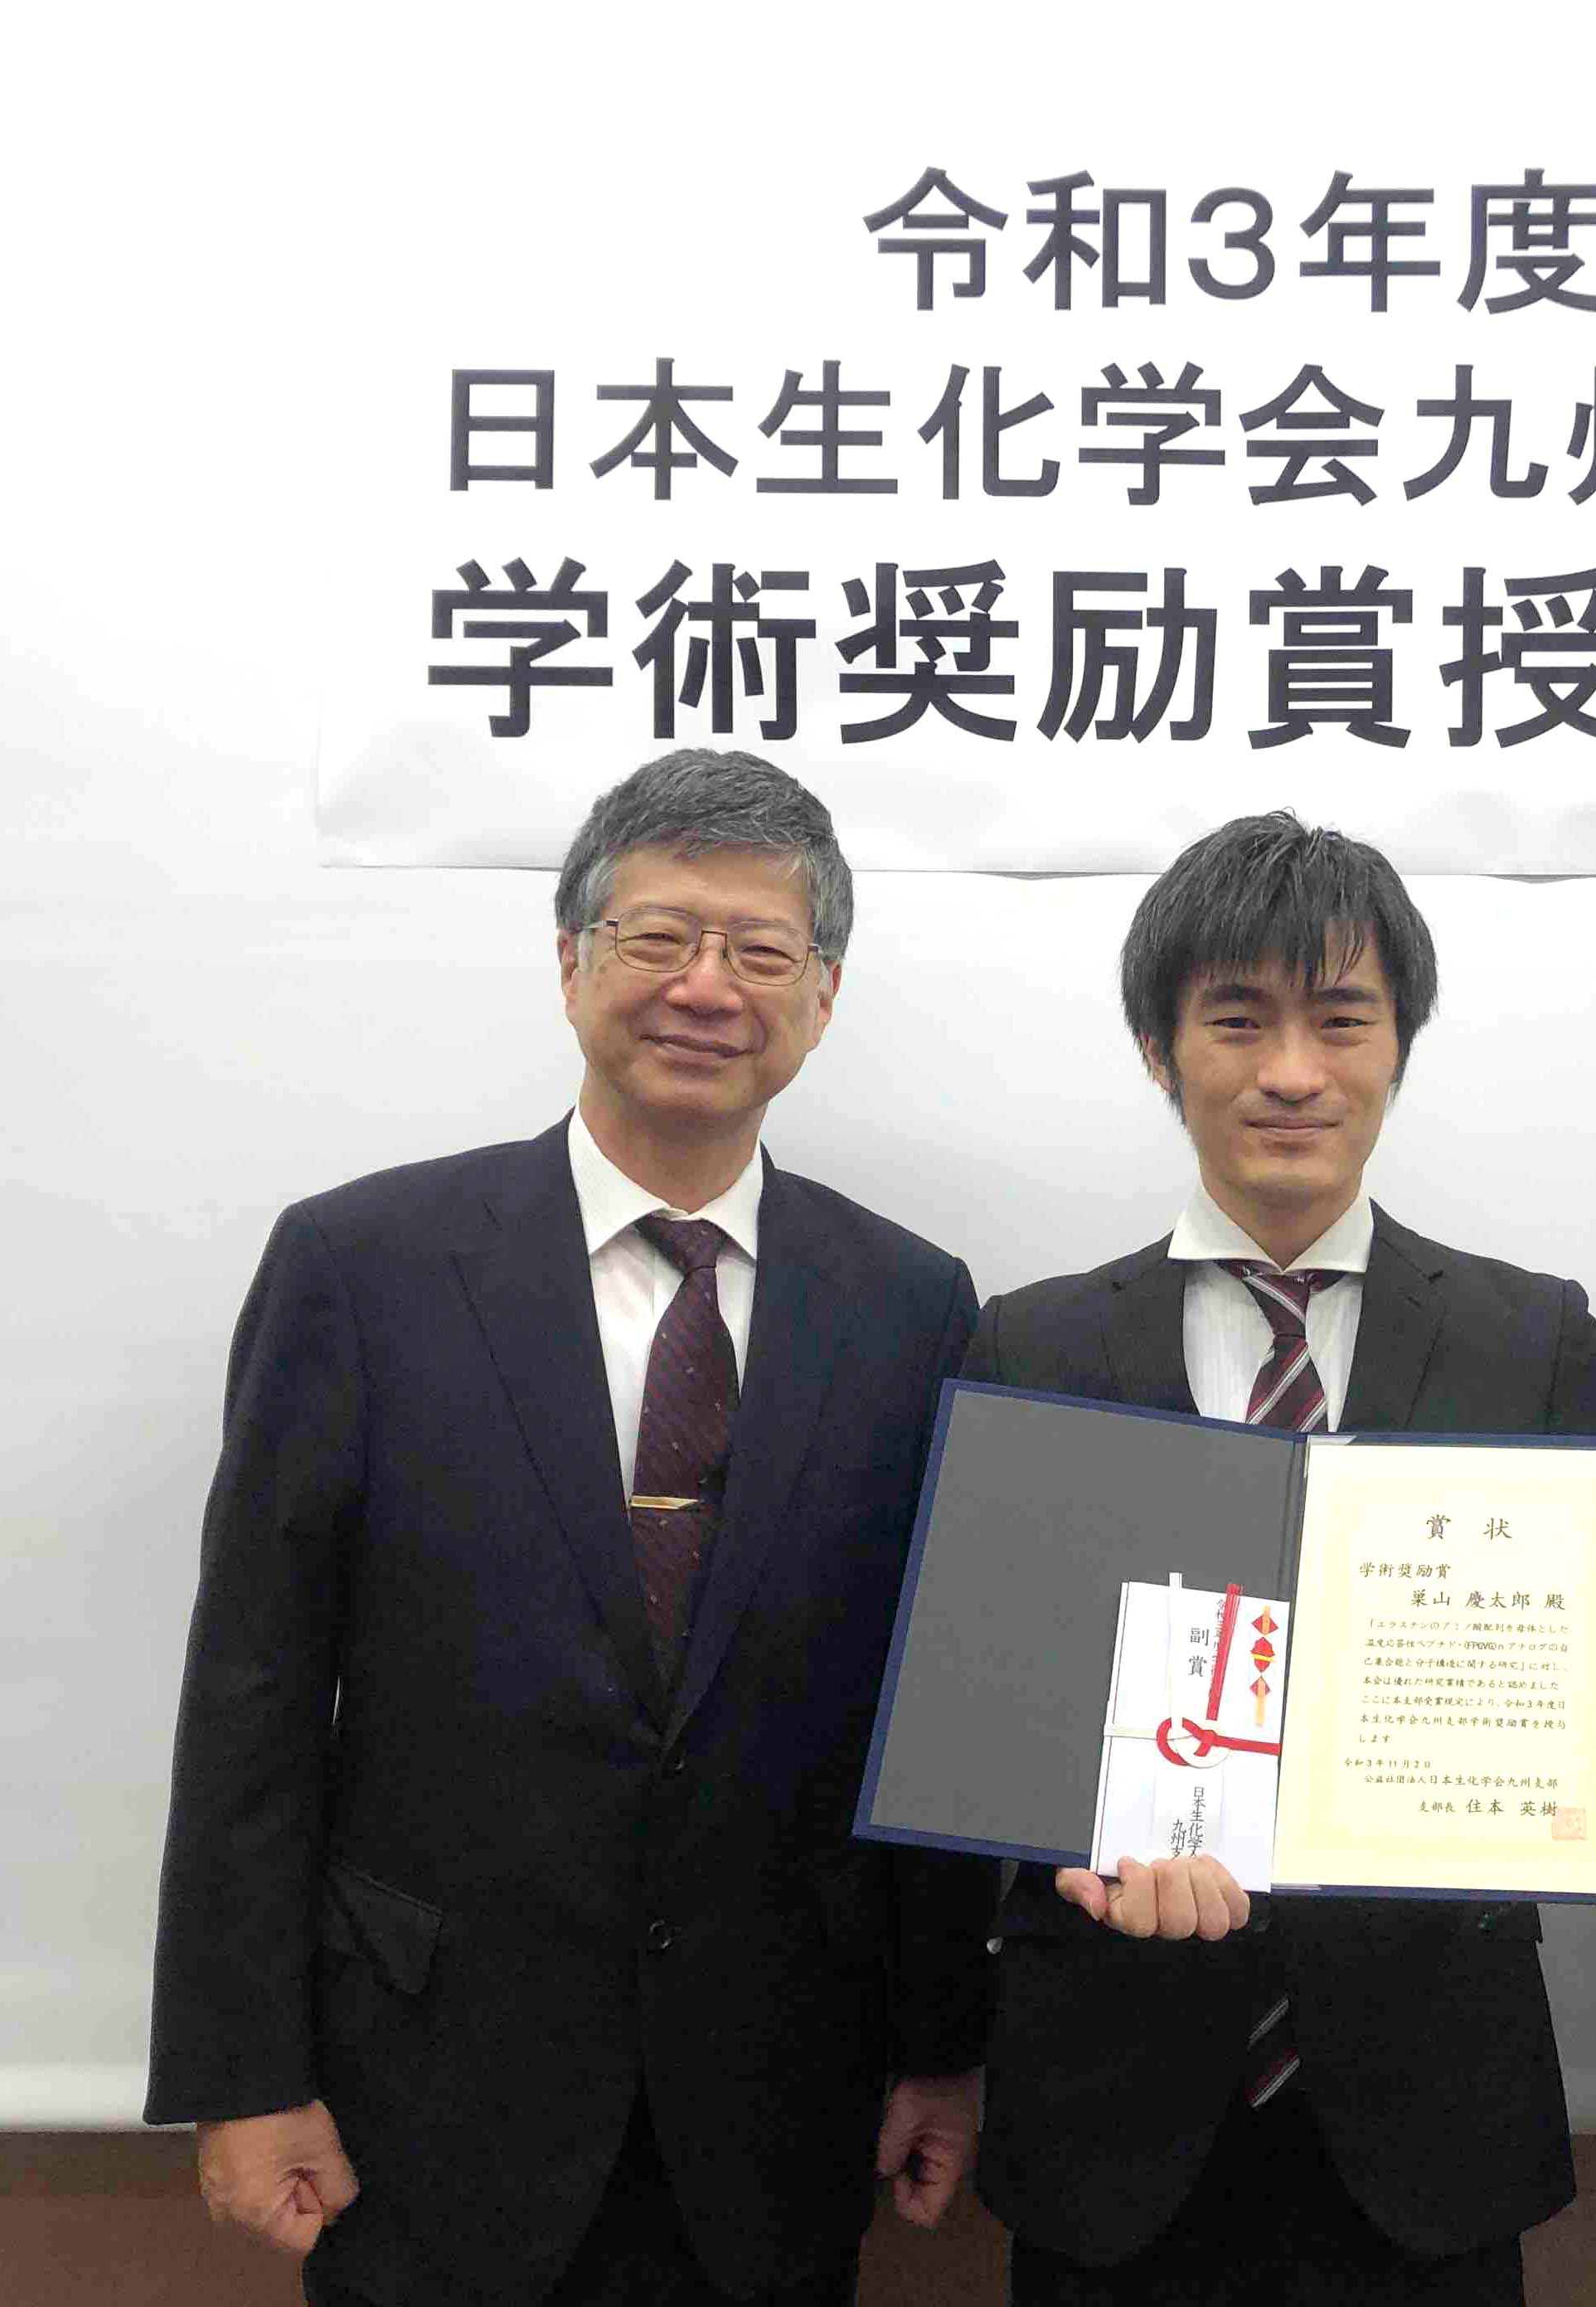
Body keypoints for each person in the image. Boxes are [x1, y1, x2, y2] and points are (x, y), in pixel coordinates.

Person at [147, 750, 993, 2307]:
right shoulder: (363, 1266)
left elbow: (929, 1709)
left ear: (822, 997)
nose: (705, 986)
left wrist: (942, 2046)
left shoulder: (912, 1302)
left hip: (779, 2102)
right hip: (423, 2092)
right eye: (657, 935)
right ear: (570, 962)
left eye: (761, 951)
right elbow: (254, 1693)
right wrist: (242, 2072)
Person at [963, 810, 1596, 2307]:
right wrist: (1079, 1844)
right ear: (1160, 1051)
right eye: (1237, 1021)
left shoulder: (1530, 1340)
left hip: (1431, 2126)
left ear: (1400, 1047)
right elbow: (986, 1705)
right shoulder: (1035, 1343)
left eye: (1342, 1020)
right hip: (1107, 2120)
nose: (1292, 1072)